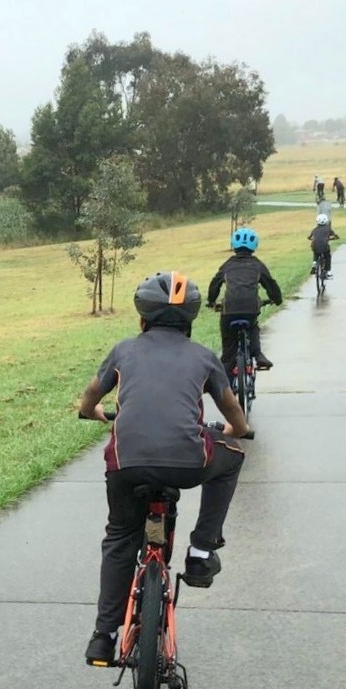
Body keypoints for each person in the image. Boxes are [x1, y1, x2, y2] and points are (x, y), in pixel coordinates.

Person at [81, 271, 249, 665]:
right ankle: (201, 551)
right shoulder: (205, 357)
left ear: (142, 320)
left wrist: (91, 413)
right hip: (188, 464)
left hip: (127, 466)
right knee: (233, 455)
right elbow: (232, 412)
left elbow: (90, 395)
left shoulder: (123, 351)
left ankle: (103, 637)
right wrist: (237, 430)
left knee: (121, 536)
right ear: (190, 322)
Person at [207, 227, 283, 378]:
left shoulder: (227, 265)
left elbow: (214, 284)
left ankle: (227, 374)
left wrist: (211, 301)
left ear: (233, 244)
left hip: (229, 309)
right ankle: (258, 354)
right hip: (250, 308)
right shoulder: (258, 265)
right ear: (254, 245)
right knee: (253, 326)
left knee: (228, 350)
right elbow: (271, 284)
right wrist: (276, 299)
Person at [308, 214, 339, 279]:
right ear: (326, 221)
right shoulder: (328, 229)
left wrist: (314, 239)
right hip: (324, 246)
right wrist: (330, 238)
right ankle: (328, 272)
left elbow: (309, 237)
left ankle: (314, 263)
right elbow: (336, 236)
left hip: (315, 245)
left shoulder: (315, 229)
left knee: (315, 252)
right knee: (327, 256)